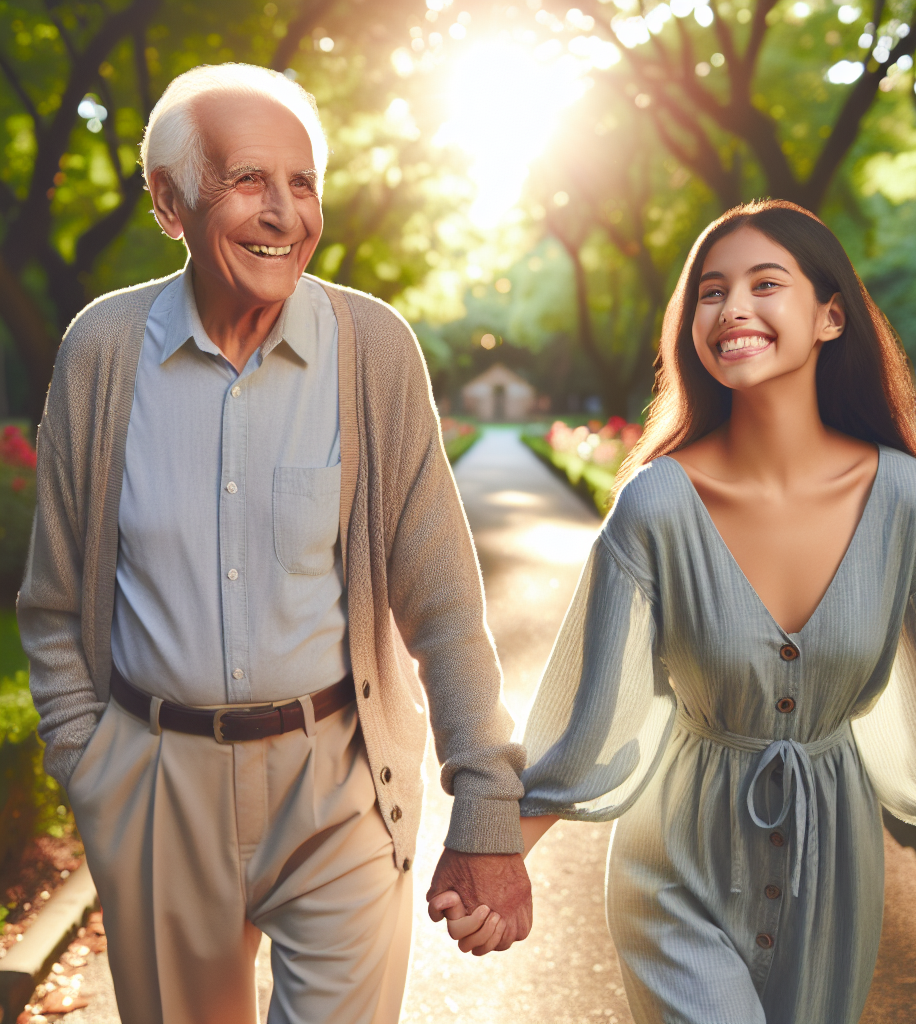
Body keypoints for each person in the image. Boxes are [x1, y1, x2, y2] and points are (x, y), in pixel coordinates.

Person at [18, 63, 531, 1024]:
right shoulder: (102, 351)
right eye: (251, 181)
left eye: (303, 185)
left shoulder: (373, 349)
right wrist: (90, 767)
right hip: (154, 788)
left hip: (337, 781)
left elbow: (444, 605)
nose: (285, 214)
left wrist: (488, 807)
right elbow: (52, 602)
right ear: (169, 202)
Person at [429, 200, 916, 1019]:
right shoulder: (657, 504)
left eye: (764, 283)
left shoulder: (906, 500)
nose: (732, 307)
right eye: (711, 291)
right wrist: (497, 857)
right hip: (674, 862)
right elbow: (592, 718)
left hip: (834, 864)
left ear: (830, 316)